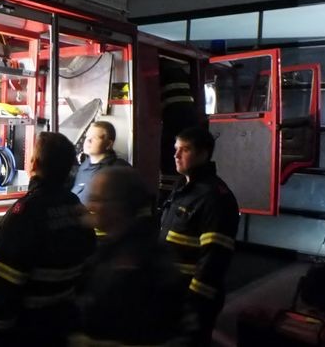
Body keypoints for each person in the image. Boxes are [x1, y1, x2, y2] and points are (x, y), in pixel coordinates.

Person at [0, 132, 96, 346]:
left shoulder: (24, 214)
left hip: (29, 329)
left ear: (34, 164)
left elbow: (4, 286)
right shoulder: (76, 206)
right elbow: (88, 262)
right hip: (61, 324)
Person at [73, 167, 184, 346]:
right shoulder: (111, 249)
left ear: (119, 207)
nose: (90, 206)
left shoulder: (138, 262)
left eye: (97, 200)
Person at [159, 126, 240, 346]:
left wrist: (194, 302)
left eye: (184, 150)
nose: (176, 155)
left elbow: (215, 257)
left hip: (190, 297)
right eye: (176, 149)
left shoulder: (214, 197)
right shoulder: (182, 187)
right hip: (171, 290)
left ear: (203, 154)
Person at [71, 121, 130, 205]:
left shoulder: (120, 170)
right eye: (87, 136)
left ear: (109, 144)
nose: (88, 140)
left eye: (94, 138)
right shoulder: (83, 168)